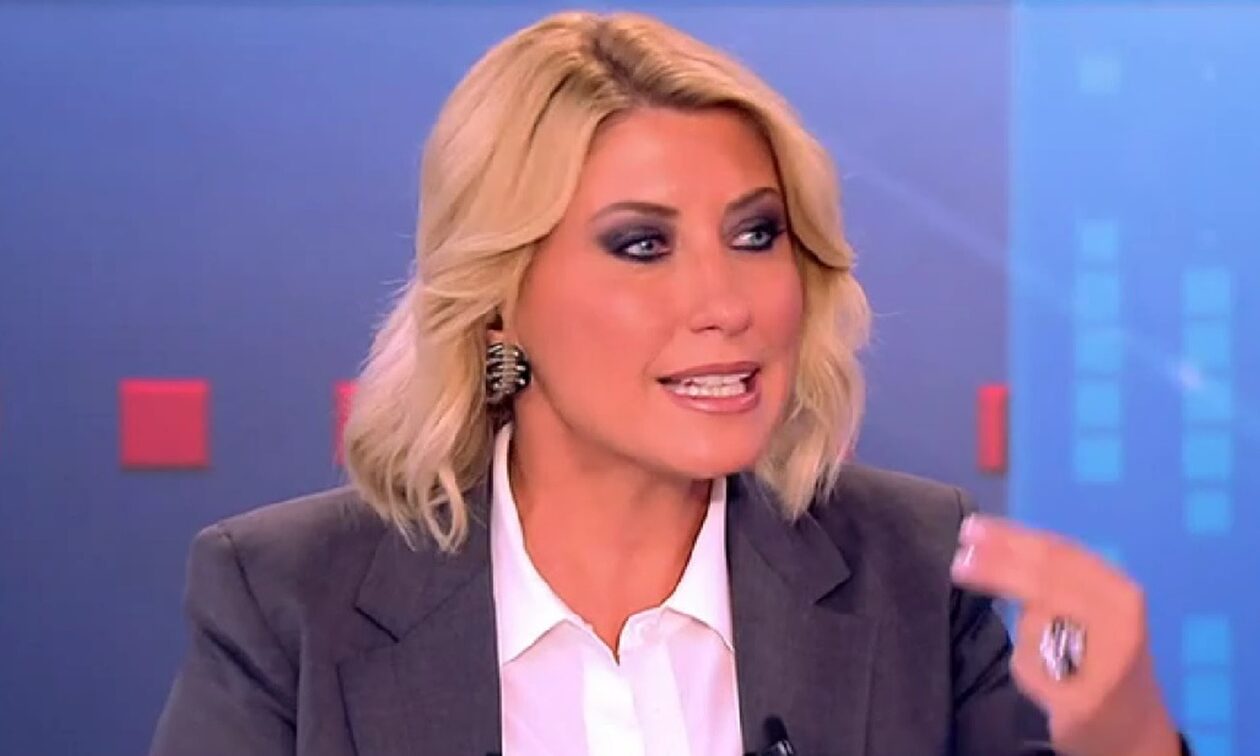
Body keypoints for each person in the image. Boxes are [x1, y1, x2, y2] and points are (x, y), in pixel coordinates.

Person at [150, 11, 1189, 756]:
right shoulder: (289, 600)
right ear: (499, 298)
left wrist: (1130, 738)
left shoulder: (913, 574)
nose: (726, 302)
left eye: (757, 235)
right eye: (642, 245)